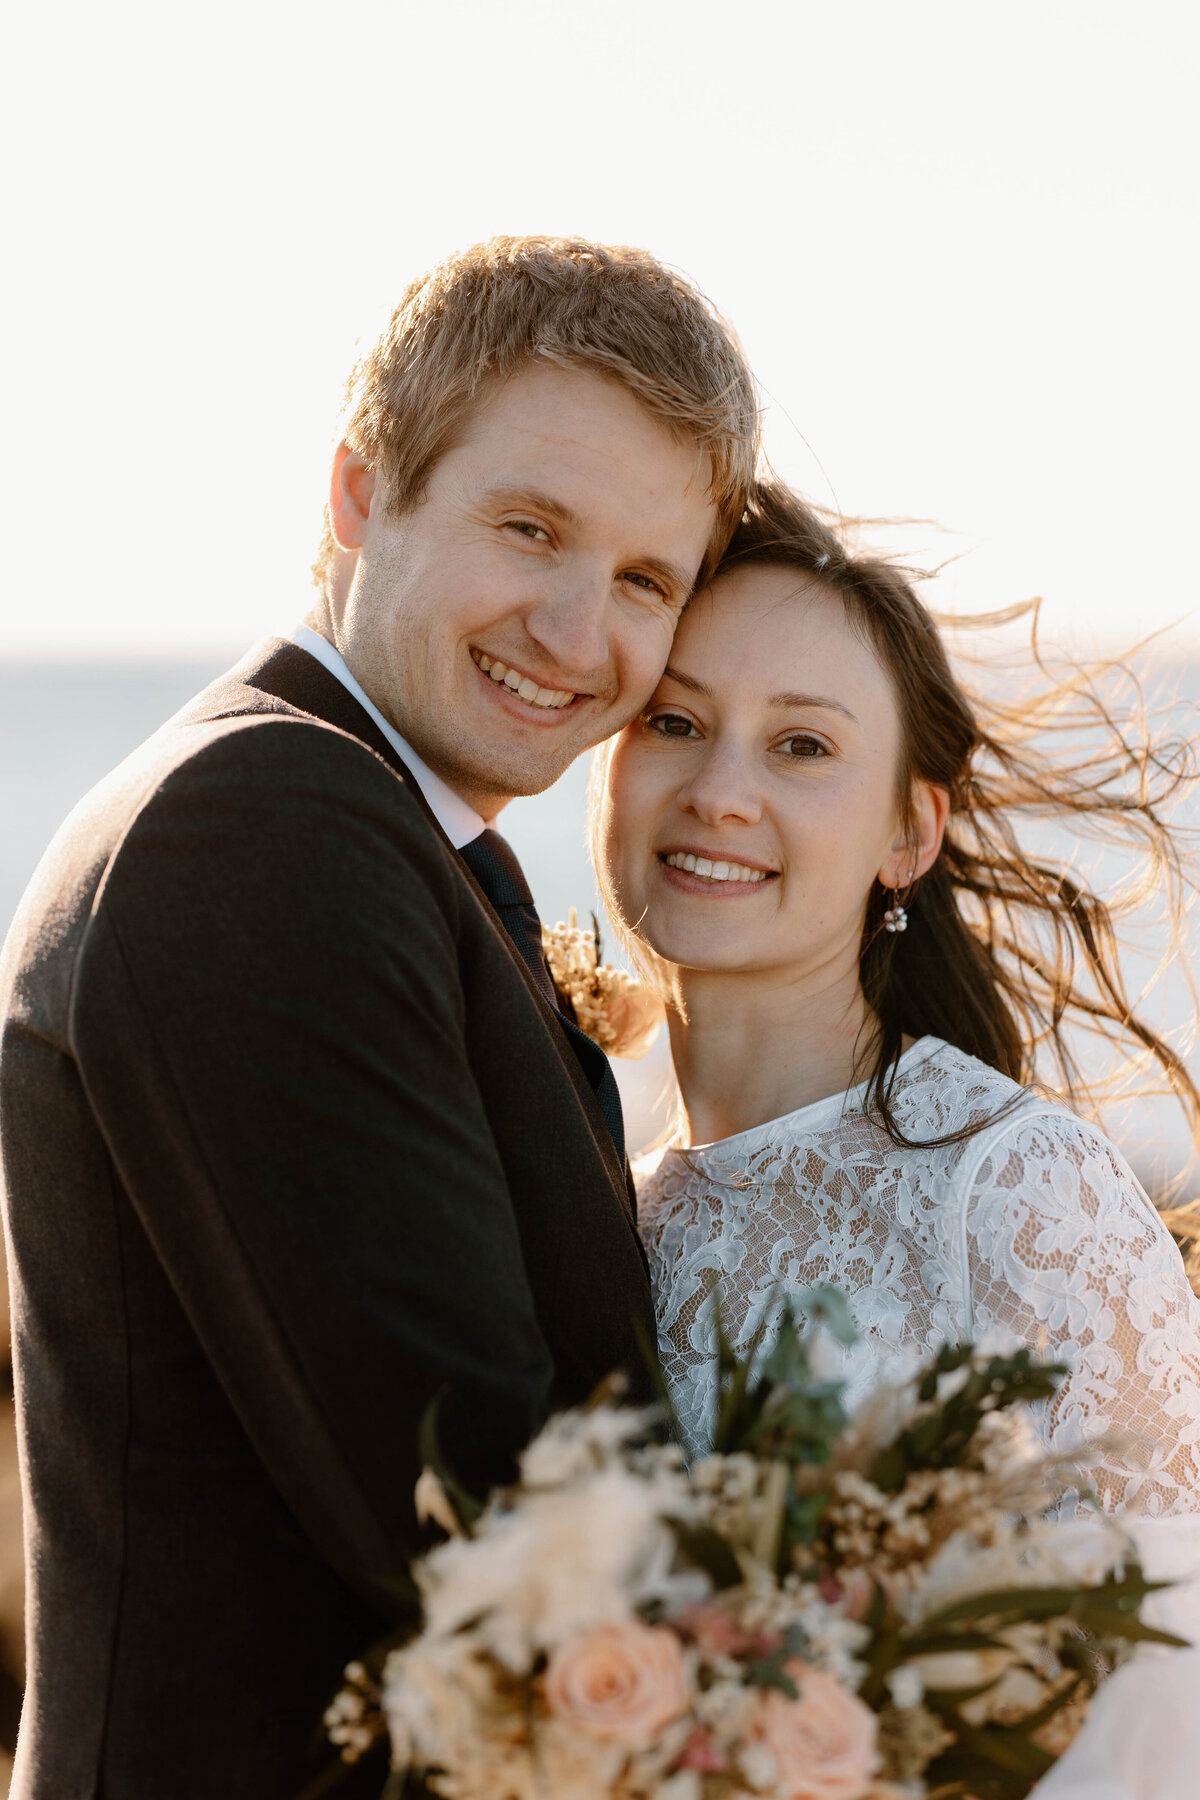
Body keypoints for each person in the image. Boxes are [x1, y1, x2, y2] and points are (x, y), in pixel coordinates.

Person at [0, 236, 758, 1798]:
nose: (576, 631)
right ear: (359, 494)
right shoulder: (266, 821)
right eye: (529, 529)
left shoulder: (374, 831)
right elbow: (473, 1498)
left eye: (642, 582)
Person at [594, 478, 1200, 1525]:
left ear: (909, 835)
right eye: (676, 720)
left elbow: (1170, 1650)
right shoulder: (601, 1202)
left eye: (803, 746)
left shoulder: (1018, 1192)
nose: (719, 791)